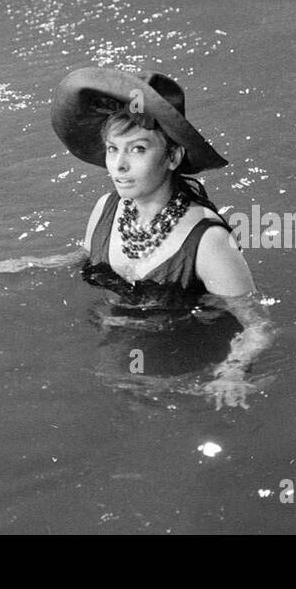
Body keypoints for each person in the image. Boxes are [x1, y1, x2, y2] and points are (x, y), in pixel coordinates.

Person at [51, 66, 275, 407]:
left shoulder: (208, 242)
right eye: (113, 149)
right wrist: (2, 268)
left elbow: (257, 326)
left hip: (176, 371)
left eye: (137, 150)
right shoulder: (105, 209)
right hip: (114, 352)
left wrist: (232, 373)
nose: (119, 166)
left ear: (173, 156)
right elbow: (86, 260)